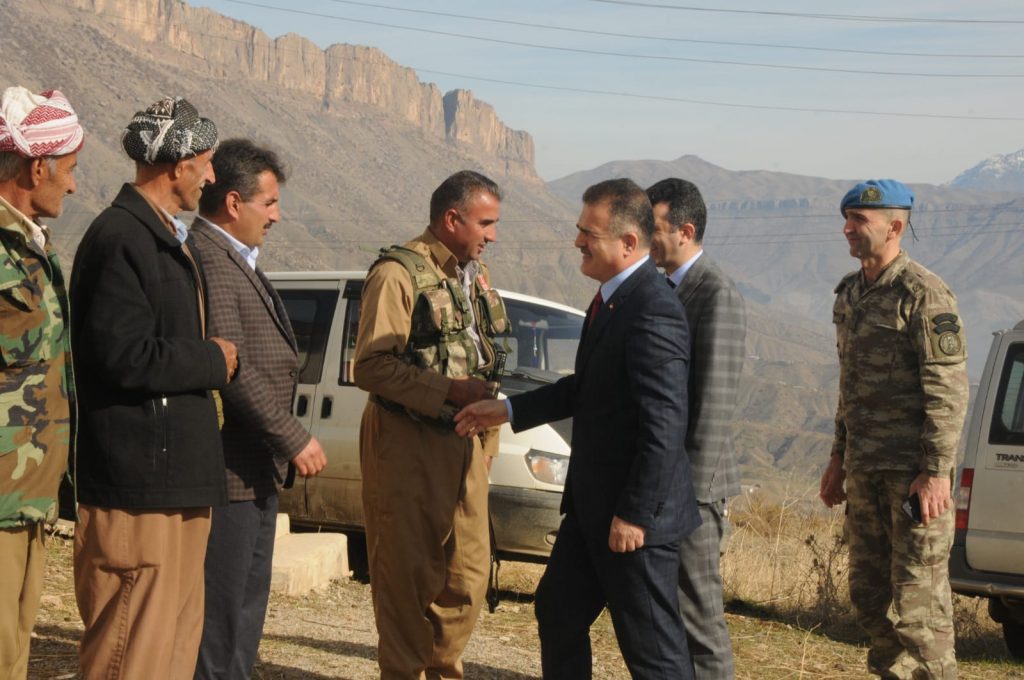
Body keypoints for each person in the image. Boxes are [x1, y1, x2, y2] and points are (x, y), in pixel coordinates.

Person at [455, 178, 700, 679]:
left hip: (632, 521)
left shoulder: (652, 308)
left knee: (653, 651)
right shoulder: (611, 299)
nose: (577, 242)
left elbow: (664, 423)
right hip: (591, 511)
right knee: (559, 611)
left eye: (589, 233)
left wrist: (634, 514)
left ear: (629, 243)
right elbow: (584, 389)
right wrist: (506, 411)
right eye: (579, 229)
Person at [70, 96, 238, 680]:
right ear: (179, 162)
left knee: (169, 653)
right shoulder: (120, 237)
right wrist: (212, 361)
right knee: (130, 655)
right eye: (208, 161)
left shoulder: (164, 237)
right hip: (137, 492)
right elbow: (122, 356)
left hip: (175, 485)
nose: (213, 176)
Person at [353, 170, 505, 678]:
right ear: (452, 218)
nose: (492, 235)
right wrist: (449, 393)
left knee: (467, 579)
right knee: (406, 582)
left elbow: (484, 362)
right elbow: (372, 366)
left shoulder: (472, 276)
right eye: (485, 223)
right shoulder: (397, 273)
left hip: (465, 449)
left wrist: (488, 440)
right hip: (407, 446)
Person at [819, 179, 968, 679]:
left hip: (913, 477)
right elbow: (850, 386)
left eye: (859, 221)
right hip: (865, 470)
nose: (847, 229)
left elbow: (947, 390)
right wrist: (838, 459)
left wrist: (935, 471)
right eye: (848, 219)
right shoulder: (850, 295)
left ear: (894, 226)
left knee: (918, 607)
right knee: (868, 596)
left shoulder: (923, 294)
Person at [190, 138, 327, 679]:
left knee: (245, 612)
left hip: (254, 471)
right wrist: (291, 437)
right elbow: (230, 367)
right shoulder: (213, 259)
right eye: (268, 203)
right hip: (229, 471)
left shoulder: (236, 259)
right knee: (221, 619)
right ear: (232, 203)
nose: (277, 215)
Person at [646, 178, 745, 679]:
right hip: (668, 486)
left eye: (654, 226)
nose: (644, 236)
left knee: (699, 613)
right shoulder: (667, 287)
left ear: (685, 231)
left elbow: (712, 402)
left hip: (693, 491)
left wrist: (687, 494)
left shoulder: (714, 292)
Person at [0, 86, 82, 680]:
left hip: (29, 491)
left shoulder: (31, 247)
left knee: (16, 648)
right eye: (70, 171)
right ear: (37, 166)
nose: (74, 186)